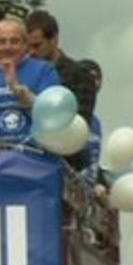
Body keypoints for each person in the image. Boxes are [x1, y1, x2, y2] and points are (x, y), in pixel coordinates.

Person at [0, 17, 60, 143]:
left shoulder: (44, 70)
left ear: (25, 44)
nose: (8, 47)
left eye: (14, 41)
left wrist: (17, 89)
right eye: (1, 42)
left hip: (33, 151)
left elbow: (51, 117)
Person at [26, 10, 96, 169]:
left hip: (65, 163)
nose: (31, 52)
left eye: (37, 45)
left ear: (54, 39)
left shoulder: (79, 75)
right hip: (28, 159)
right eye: (27, 46)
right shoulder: (21, 74)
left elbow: (80, 121)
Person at [79, 59, 104, 186]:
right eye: (88, 76)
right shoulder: (68, 116)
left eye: (97, 77)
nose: (94, 82)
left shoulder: (96, 123)